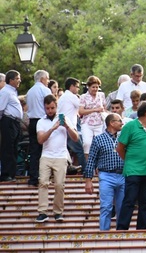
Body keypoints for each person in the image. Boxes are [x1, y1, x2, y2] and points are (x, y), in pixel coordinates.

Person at [35, 94, 80, 222]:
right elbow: (40, 140)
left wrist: (66, 126)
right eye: (48, 108)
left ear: (56, 107)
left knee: (59, 185)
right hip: (46, 156)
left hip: (61, 156)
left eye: (52, 108)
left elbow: (76, 138)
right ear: (44, 108)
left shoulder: (64, 118)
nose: (50, 111)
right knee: (43, 183)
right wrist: (52, 128)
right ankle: (42, 212)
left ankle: (58, 212)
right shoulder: (41, 121)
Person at [115, 102, 146, 230]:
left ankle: (142, 230)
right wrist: (129, 161)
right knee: (129, 201)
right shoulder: (130, 126)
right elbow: (120, 148)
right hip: (134, 171)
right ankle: (122, 230)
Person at [83, 113, 125, 230]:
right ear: (111, 123)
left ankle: (121, 235)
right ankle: (104, 235)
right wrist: (88, 180)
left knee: (122, 208)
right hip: (106, 175)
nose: (122, 123)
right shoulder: (98, 139)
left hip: (123, 175)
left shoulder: (123, 138)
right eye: (119, 121)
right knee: (106, 207)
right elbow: (91, 159)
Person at [26, 70, 52, 186]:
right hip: (42, 122)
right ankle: (43, 177)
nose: (48, 81)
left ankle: (33, 177)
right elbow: (50, 105)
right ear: (42, 79)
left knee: (34, 151)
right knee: (45, 150)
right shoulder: (45, 90)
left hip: (32, 122)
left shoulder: (30, 91)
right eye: (47, 78)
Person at [57, 77, 86, 171]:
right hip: (70, 127)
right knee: (80, 150)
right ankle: (85, 172)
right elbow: (83, 107)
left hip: (61, 127)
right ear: (71, 86)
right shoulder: (72, 97)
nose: (78, 89)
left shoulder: (62, 97)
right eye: (77, 87)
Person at [0, 70, 23, 182]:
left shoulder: (12, 92)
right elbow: (0, 109)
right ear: (11, 80)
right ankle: (6, 174)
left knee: (14, 148)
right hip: (8, 121)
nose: (19, 80)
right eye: (17, 78)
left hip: (15, 122)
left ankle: (11, 174)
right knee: (8, 148)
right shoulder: (5, 92)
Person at [79, 76, 106, 161]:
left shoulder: (101, 95)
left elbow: (104, 108)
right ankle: (88, 163)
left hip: (99, 122)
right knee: (87, 143)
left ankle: (99, 164)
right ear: (88, 87)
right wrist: (95, 109)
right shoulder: (83, 97)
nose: (95, 89)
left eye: (97, 87)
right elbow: (81, 111)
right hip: (87, 122)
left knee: (100, 144)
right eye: (93, 87)